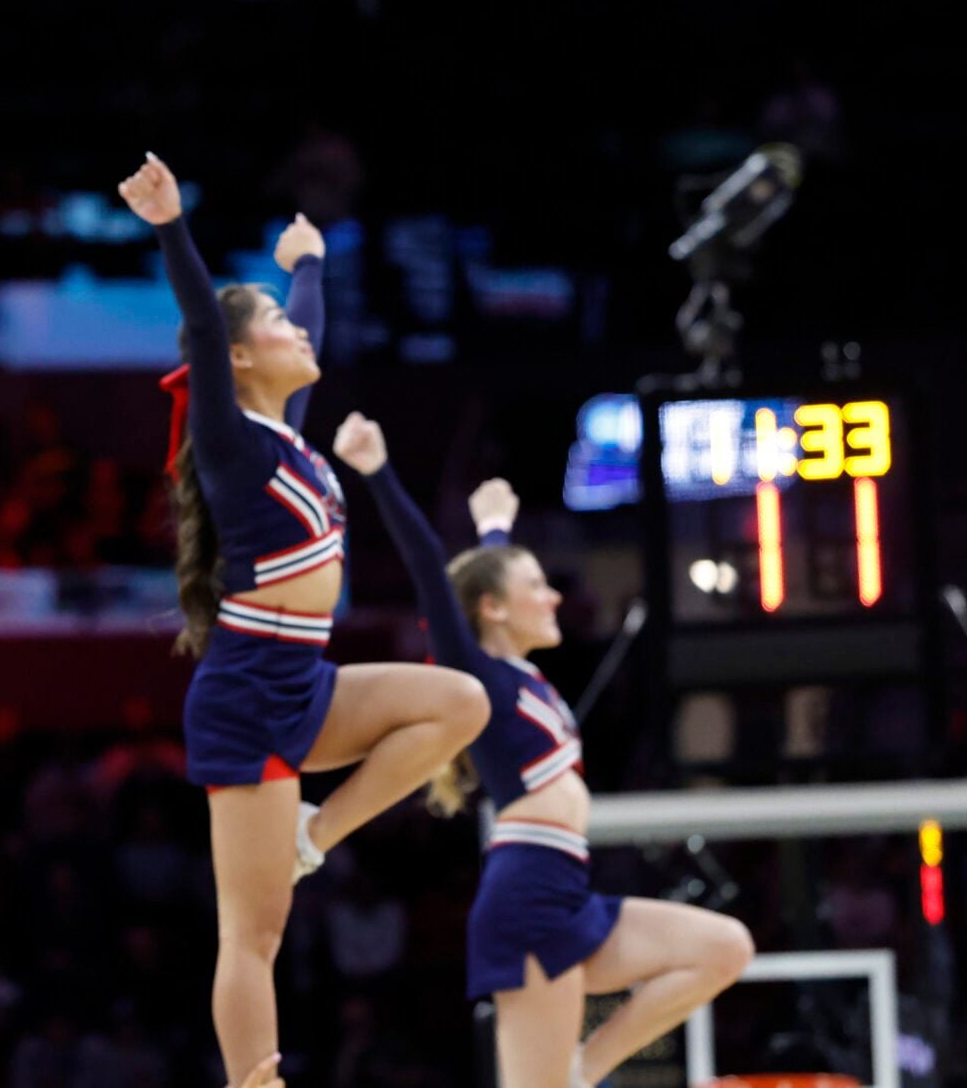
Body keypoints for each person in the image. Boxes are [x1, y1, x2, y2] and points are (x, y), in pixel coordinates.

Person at [115, 153, 487, 1085]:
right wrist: (171, 225)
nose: (296, 330)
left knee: (458, 705)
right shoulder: (230, 443)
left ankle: (315, 834)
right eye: (275, 324)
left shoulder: (292, 437)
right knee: (255, 932)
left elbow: (306, 326)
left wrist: (308, 266)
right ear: (240, 358)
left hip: (306, 682)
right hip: (246, 692)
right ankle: (256, 1082)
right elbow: (204, 322)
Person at [338, 441, 756, 1088]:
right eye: (538, 586)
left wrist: (495, 529)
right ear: (494, 610)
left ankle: (585, 1068)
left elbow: (485, 583)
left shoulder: (523, 677)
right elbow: (432, 572)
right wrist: (379, 472)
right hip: (527, 896)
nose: (555, 597)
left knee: (726, 947)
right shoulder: (475, 679)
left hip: (568, 889)